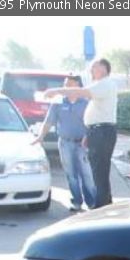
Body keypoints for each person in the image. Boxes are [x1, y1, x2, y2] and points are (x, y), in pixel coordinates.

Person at [45, 58, 117, 208]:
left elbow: (81, 92)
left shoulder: (105, 84)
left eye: (93, 68)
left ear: (103, 68)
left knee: (98, 173)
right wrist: (89, 134)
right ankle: (105, 205)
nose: (91, 71)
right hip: (98, 132)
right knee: (100, 172)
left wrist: (57, 90)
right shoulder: (102, 85)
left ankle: (101, 207)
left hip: (102, 131)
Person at [33, 76, 96, 212]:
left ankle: (92, 203)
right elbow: (49, 121)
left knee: (86, 174)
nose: (66, 88)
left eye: (70, 85)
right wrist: (40, 137)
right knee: (71, 174)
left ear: (78, 86)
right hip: (65, 143)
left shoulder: (86, 102)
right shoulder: (58, 102)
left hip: (83, 144)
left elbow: (92, 123)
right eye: (65, 84)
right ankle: (76, 202)